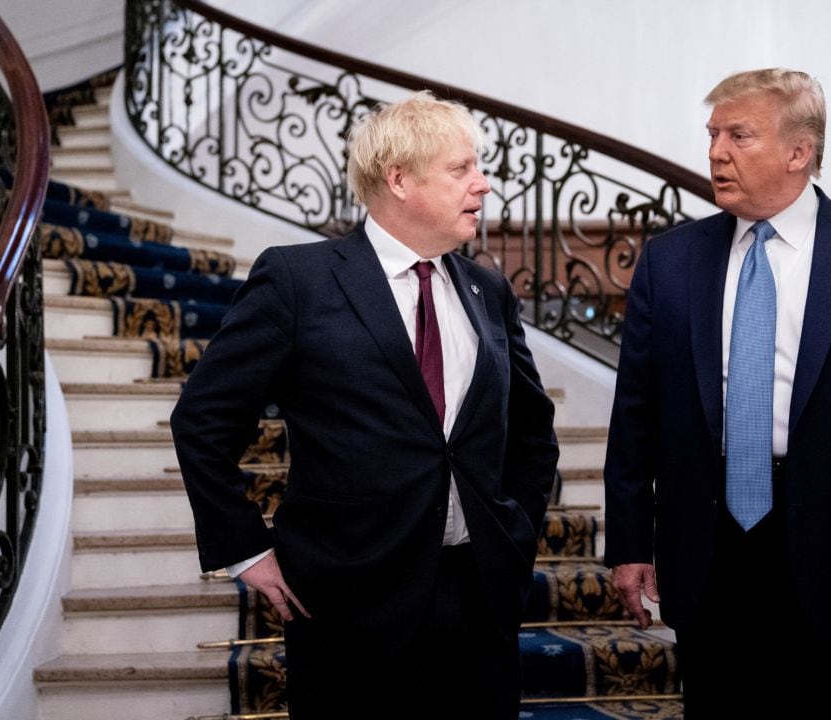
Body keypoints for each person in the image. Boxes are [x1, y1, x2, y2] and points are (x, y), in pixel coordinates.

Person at [170, 91, 559, 720]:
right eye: (462, 169)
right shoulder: (299, 279)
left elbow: (532, 435)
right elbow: (203, 420)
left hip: (479, 594)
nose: (483, 186)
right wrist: (245, 547)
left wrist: (513, 532)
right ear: (399, 179)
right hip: (349, 598)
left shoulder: (488, 288)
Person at [603, 68, 831, 719]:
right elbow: (636, 416)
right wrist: (627, 543)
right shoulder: (671, 260)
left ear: (800, 151)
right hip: (707, 547)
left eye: (739, 134)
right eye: (712, 134)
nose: (715, 152)